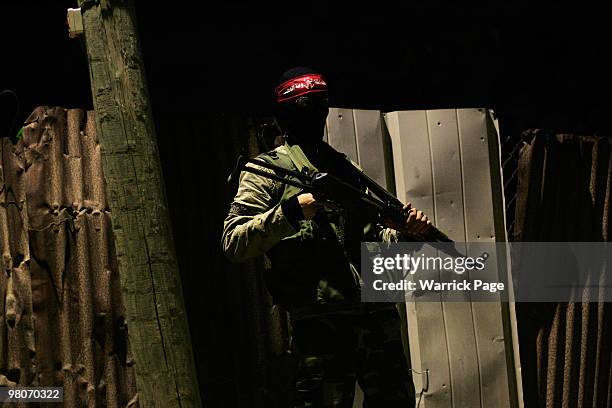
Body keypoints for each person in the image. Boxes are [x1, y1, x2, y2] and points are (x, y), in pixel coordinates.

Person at [222, 67, 431, 407]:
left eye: (320, 108)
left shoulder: (346, 171)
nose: (314, 118)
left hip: (375, 316)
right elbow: (234, 241)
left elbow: (376, 250)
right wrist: (291, 210)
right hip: (320, 321)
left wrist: (408, 236)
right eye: (304, 109)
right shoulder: (268, 172)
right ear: (284, 117)